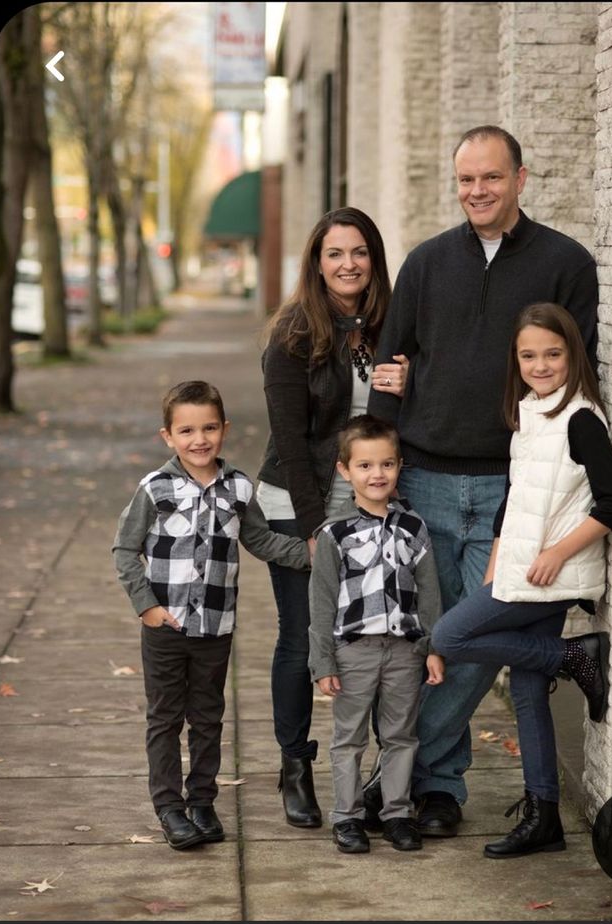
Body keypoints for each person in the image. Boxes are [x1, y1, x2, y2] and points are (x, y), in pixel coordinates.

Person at [367, 125, 600, 836]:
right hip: (426, 479)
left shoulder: (565, 262)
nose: (476, 191)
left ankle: (401, 776)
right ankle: (438, 791)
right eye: (465, 180)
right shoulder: (427, 262)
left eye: (490, 178)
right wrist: (376, 480)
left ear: (520, 178)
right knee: (422, 640)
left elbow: (580, 379)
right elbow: (387, 366)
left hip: (513, 491)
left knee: (464, 641)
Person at [431, 303, 612, 857]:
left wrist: (556, 552)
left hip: (552, 573)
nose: (540, 365)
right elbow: (513, 504)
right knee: (525, 691)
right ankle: (544, 816)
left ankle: (573, 657)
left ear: (573, 354)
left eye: (552, 353)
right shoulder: (531, 412)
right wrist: (495, 569)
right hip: (522, 571)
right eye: (529, 355)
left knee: (449, 637)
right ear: (515, 360)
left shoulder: (580, 418)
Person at [255, 207, 408, 828]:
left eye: (359, 252)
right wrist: (319, 528)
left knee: (376, 644)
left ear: (374, 258)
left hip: (372, 501)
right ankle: (295, 767)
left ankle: (375, 777)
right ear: (316, 264)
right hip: (299, 503)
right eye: (335, 253)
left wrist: (407, 383)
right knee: (303, 639)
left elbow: (392, 429)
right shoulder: (292, 334)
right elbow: (290, 442)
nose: (348, 264)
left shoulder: (391, 329)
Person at [112, 381, 310, 850]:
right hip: (166, 626)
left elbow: (260, 540)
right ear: (168, 436)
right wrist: (148, 607)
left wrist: (314, 555)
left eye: (209, 428)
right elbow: (124, 549)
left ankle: (201, 800)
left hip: (215, 627)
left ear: (224, 429)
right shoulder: (155, 488)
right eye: (186, 430)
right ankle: (169, 806)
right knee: (165, 717)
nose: (199, 439)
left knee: (208, 716)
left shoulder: (239, 487)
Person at [308, 414, 444, 853]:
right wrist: (323, 661)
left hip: (404, 651)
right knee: (349, 737)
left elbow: (429, 596)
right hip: (353, 651)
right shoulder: (334, 534)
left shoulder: (413, 529)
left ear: (399, 465)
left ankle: (397, 814)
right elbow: (322, 602)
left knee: (401, 735)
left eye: (386, 464)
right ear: (345, 470)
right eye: (365, 466)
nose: (377, 474)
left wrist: (432, 648)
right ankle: (347, 818)